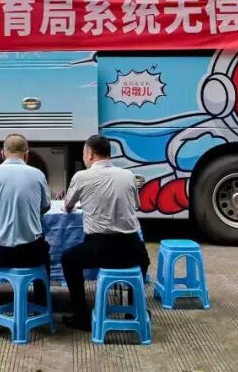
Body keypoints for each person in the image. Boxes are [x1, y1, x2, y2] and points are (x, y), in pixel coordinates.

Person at [60, 134, 150, 331]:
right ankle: (134, 308)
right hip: (132, 248)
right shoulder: (128, 175)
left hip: (100, 249)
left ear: (90, 154)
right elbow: (136, 204)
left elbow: (68, 206)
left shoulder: (82, 177)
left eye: (84, 154)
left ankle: (81, 315)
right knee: (143, 258)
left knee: (68, 259)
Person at [0, 133, 51, 330]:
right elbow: (46, 206)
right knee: (45, 255)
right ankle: (41, 307)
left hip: (1, 253)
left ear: (2, 153)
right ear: (27, 155)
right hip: (31, 252)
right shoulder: (38, 174)